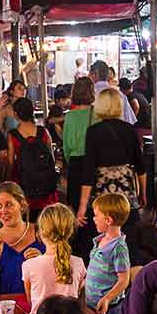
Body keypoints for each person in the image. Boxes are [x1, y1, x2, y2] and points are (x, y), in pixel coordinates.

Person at [77, 88, 147, 255]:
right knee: (128, 237)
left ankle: (106, 271)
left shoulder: (93, 132)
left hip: (103, 193)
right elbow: (140, 166)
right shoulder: (129, 129)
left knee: (104, 235)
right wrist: (142, 193)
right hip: (126, 193)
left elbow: (88, 171)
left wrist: (82, 205)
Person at [21, 204, 86, 314]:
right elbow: (77, 295)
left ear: (40, 232)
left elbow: (30, 300)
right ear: (70, 231)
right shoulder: (79, 263)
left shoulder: (29, 265)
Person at [85, 192, 133, 314]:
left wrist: (107, 298)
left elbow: (124, 279)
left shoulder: (118, 248)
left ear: (108, 220)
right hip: (91, 306)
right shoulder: (100, 240)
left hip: (109, 310)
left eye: (96, 215)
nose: (93, 219)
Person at [0, 182, 45, 298]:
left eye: (9, 205)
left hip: (39, 308)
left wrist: (43, 263)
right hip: (5, 310)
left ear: (22, 205)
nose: (3, 211)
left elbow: (60, 277)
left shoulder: (42, 233)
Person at [7, 97, 59, 217]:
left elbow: (10, 162)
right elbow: (51, 157)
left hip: (23, 184)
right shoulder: (43, 132)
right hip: (46, 186)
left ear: (16, 114)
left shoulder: (12, 135)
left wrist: (8, 180)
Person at [62, 77, 95, 220]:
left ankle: (77, 237)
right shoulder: (97, 114)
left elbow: (67, 146)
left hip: (75, 163)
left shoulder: (69, 117)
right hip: (92, 161)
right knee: (93, 203)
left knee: (75, 204)